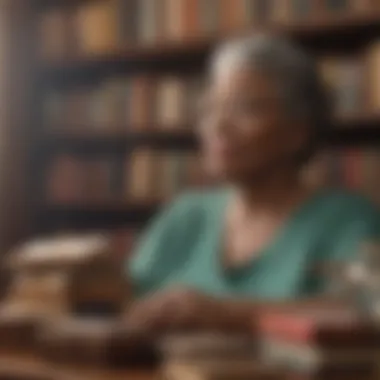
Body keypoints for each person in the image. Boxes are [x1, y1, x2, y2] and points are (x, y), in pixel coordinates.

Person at [125, 34, 380, 333]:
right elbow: (128, 304)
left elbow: (365, 312)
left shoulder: (347, 219)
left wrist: (229, 314)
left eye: (245, 109)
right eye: (209, 109)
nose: (218, 126)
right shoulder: (184, 214)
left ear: (297, 131)